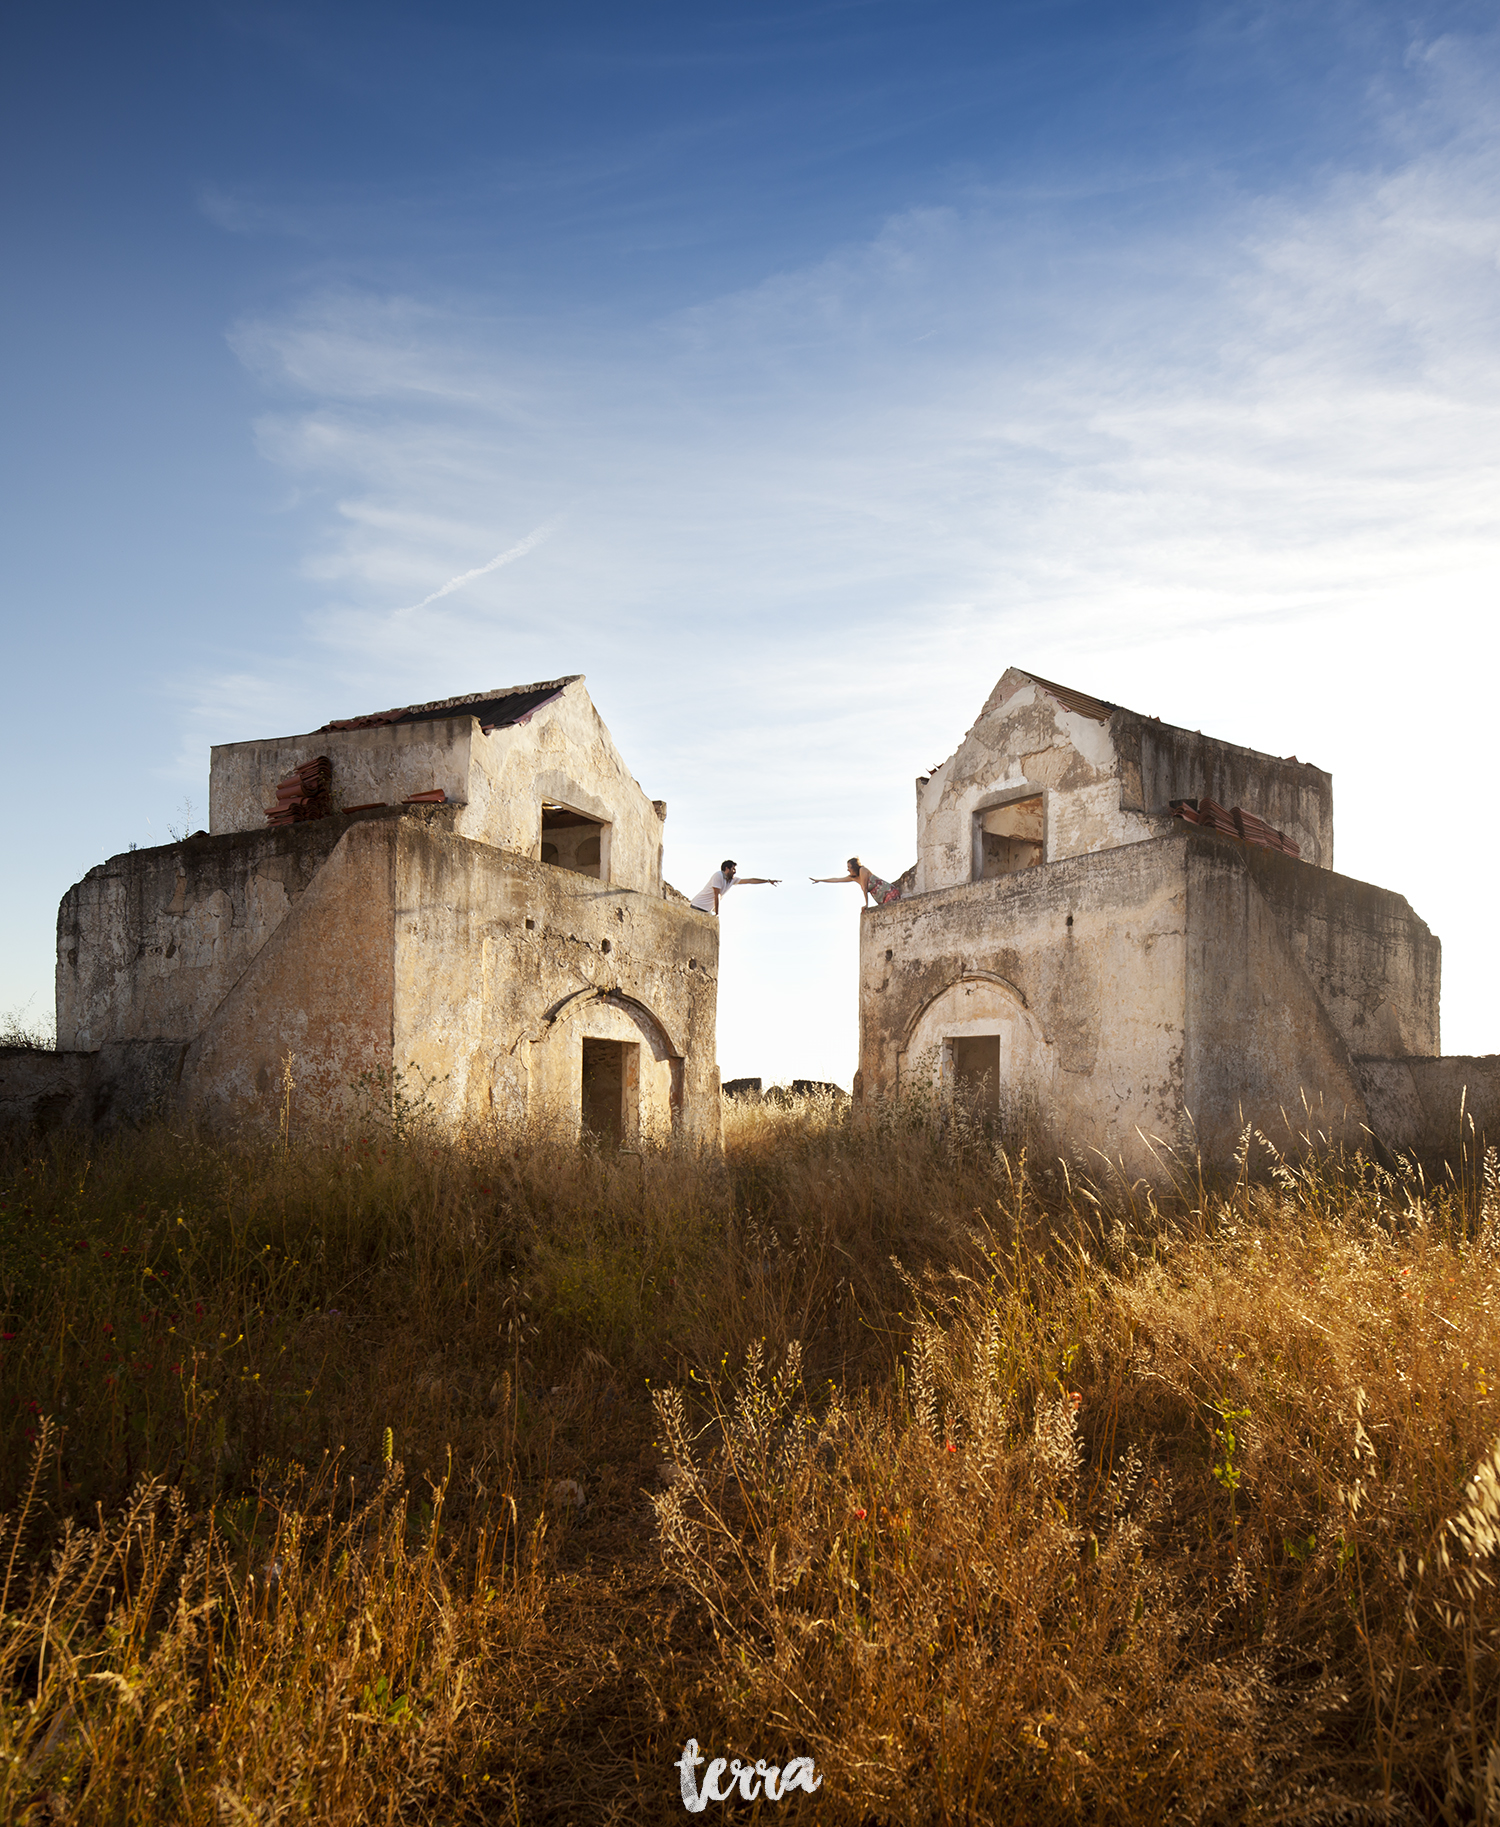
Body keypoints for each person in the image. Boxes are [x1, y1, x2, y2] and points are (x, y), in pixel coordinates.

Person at [690, 859, 780, 914]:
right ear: (726, 869)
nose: (735, 871)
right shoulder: (718, 875)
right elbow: (716, 894)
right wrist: (716, 913)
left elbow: (750, 880)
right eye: (733, 869)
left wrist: (767, 881)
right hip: (697, 906)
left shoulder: (732, 880)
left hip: (706, 910)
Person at [811, 857, 902, 906]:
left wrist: (866, 904)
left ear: (854, 867)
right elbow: (836, 879)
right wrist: (820, 880)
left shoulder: (862, 870)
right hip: (881, 899)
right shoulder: (853, 878)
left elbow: (865, 888)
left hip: (888, 892)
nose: (848, 870)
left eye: (849, 867)